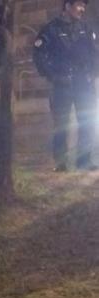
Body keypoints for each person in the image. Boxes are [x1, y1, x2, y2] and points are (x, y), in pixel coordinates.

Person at [33, 0, 99, 172]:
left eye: (84, 6)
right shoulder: (51, 30)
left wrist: (93, 74)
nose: (82, 9)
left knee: (87, 122)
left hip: (83, 84)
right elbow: (39, 55)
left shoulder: (85, 28)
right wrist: (52, 76)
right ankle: (61, 163)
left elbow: (94, 54)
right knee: (61, 123)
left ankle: (84, 161)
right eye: (78, 5)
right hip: (62, 83)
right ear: (67, 7)